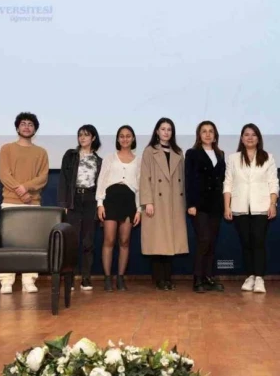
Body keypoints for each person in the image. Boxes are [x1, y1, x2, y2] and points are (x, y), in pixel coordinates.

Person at [0, 112, 50, 294]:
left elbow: (42, 178)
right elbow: (4, 174)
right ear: (17, 127)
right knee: (9, 243)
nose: (27, 127)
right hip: (10, 203)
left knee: (32, 243)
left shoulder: (41, 152)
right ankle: (6, 281)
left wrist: (25, 189)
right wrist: (21, 192)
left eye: (30, 124)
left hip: (33, 203)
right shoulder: (6, 148)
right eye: (23, 124)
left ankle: (29, 280)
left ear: (35, 129)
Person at [224, 123, 279, 294]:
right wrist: (227, 206)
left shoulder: (268, 157)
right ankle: (250, 276)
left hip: (261, 207)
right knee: (246, 243)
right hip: (239, 207)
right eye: (246, 134)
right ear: (241, 138)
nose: (250, 137)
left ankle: (260, 278)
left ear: (258, 138)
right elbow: (228, 183)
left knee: (258, 242)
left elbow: (273, 182)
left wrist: (273, 204)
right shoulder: (233, 158)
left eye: (253, 134)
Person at [139, 117, 189, 290]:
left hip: (174, 202)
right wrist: (147, 202)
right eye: (163, 129)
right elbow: (144, 178)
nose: (166, 132)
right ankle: (159, 279)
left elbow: (182, 180)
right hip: (156, 202)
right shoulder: (149, 151)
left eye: (169, 129)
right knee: (158, 242)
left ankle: (167, 278)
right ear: (157, 131)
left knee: (170, 243)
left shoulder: (178, 152)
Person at [96, 125, 141, 291]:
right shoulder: (109, 158)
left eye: (128, 136)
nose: (125, 139)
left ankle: (120, 278)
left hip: (129, 202)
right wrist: (100, 203)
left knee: (125, 241)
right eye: (122, 136)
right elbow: (102, 180)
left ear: (133, 138)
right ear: (117, 139)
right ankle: (107, 278)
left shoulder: (139, 160)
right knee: (109, 240)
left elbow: (140, 187)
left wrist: (139, 209)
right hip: (111, 200)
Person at [59, 125, 103, 291]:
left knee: (88, 241)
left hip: (91, 200)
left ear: (93, 138)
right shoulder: (70, 155)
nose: (82, 138)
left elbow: (101, 185)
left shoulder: (99, 161)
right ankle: (69, 279)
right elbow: (63, 180)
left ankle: (86, 278)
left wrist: (100, 204)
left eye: (86, 135)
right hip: (74, 200)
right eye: (80, 135)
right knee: (72, 241)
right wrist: (64, 204)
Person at [185, 121, 226, 293]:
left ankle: (209, 277)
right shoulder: (192, 153)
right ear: (199, 135)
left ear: (215, 135)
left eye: (211, 131)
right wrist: (191, 204)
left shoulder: (220, 154)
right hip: (199, 205)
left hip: (216, 205)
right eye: (204, 131)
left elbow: (222, 180)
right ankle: (197, 278)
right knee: (204, 240)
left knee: (212, 242)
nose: (208, 134)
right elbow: (188, 179)